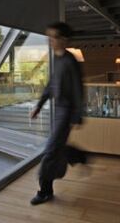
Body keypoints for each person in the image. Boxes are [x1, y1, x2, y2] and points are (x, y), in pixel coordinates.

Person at [30, 22, 87, 205]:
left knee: (50, 152)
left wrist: (77, 115)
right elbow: (51, 84)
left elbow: (79, 89)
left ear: (63, 39)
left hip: (66, 112)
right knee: (56, 147)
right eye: (48, 37)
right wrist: (39, 105)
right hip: (57, 110)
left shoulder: (71, 61)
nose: (49, 41)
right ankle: (77, 156)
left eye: (52, 37)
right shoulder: (57, 59)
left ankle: (45, 191)